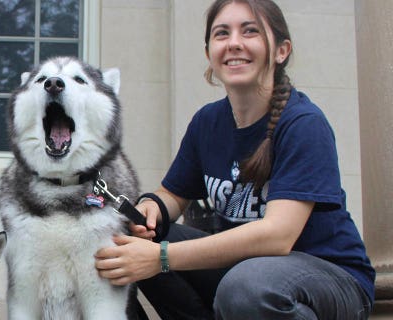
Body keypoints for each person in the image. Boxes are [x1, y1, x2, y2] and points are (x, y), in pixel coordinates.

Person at [94, 0, 375, 319]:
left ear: (281, 51)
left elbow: (278, 236)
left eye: (250, 31)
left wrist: (161, 256)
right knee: (125, 240)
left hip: (330, 279)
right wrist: (151, 209)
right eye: (222, 33)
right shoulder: (207, 122)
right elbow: (173, 194)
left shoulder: (303, 124)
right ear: (209, 53)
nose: (234, 43)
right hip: (248, 273)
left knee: (245, 287)